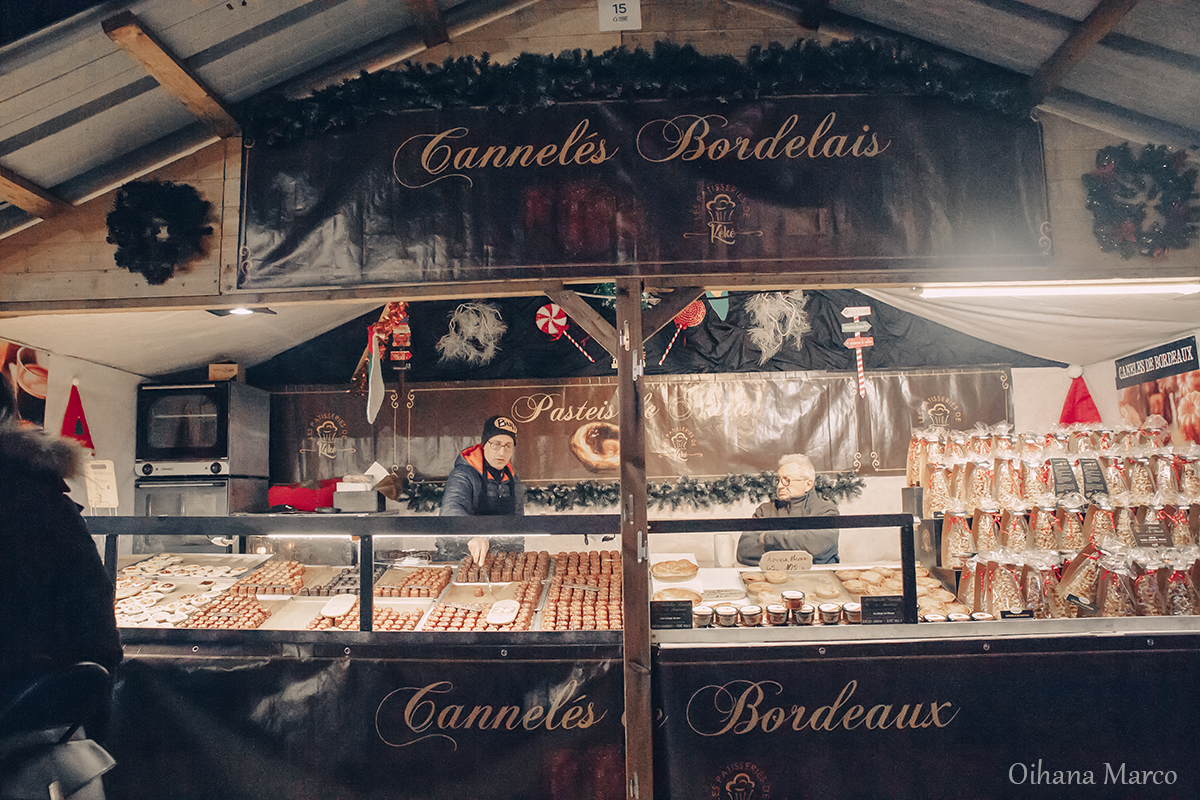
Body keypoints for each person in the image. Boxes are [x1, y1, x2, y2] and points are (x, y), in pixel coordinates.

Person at [0, 371, 122, 708]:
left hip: (30, 700)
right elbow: (93, 599)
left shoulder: (30, 498)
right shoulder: (40, 491)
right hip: (54, 695)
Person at [439, 415, 524, 562]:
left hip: (500, 562)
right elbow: (450, 510)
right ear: (484, 444)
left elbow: (518, 525)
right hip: (459, 559)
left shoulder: (512, 479)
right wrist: (472, 535)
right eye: (496, 444)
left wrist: (518, 557)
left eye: (508, 446)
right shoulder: (464, 474)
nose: (502, 453)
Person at [737, 453, 839, 566]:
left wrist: (766, 538)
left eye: (786, 480)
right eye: (778, 480)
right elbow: (744, 551)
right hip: (772, 579)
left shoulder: (826, 511)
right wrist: (797, 545)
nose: (780, 486)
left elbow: (815, 546)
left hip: (818, 580)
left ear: (808, 484)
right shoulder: (764, 511)